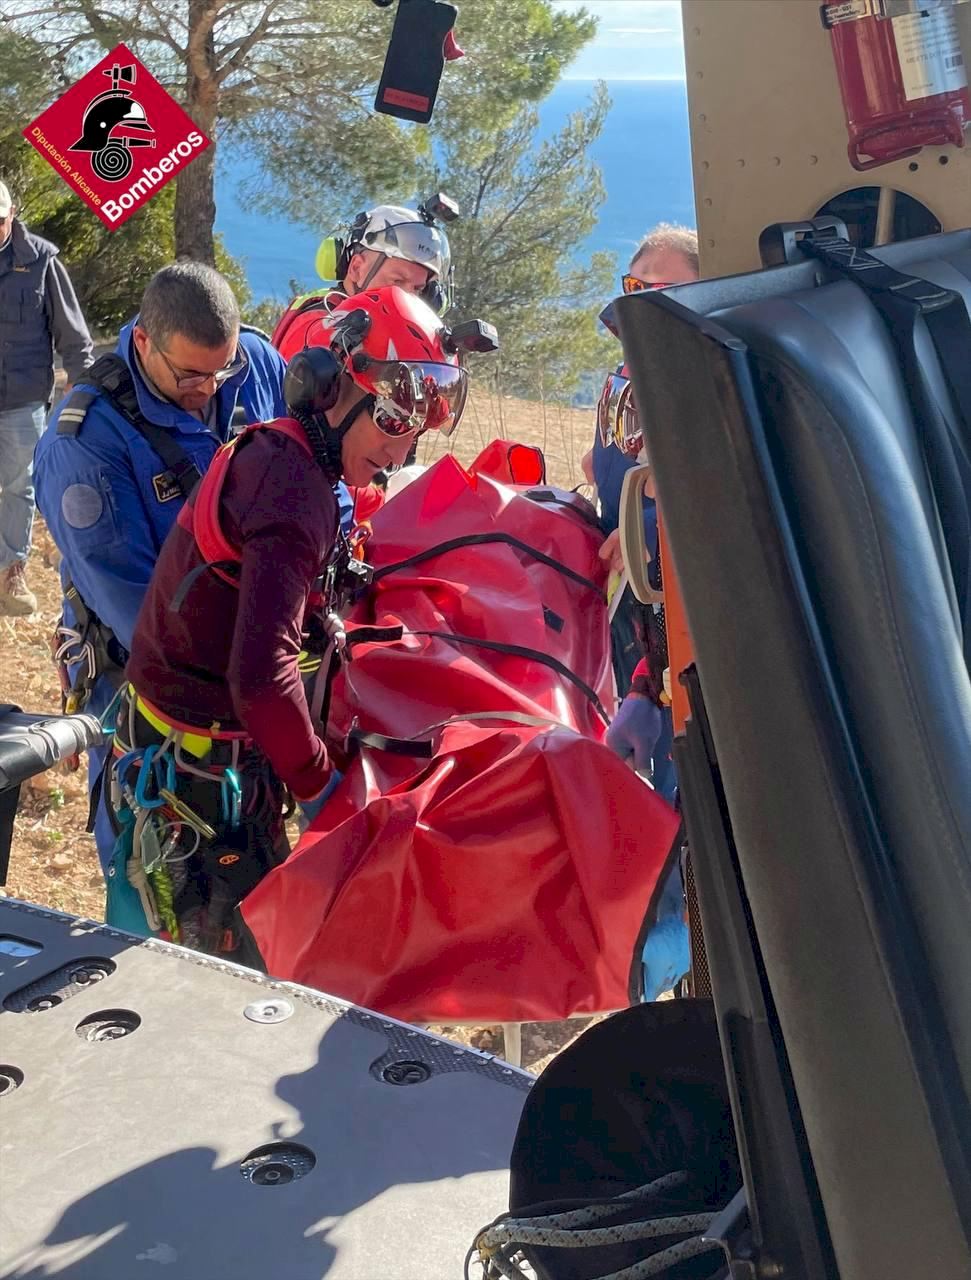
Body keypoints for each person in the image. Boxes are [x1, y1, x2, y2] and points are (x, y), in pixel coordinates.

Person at [107, 285, 490, 958]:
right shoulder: (291, 492)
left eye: (415, 434)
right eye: (394, 424)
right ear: (333, 388)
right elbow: (260, 677)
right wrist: (323, 788)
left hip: (198, 763)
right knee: (230, 993)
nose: (400, 456)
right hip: (197, 790)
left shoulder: (289, 458)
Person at [35, 261, 289, 874]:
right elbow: (142, 615)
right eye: (189, 376)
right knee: (154, 875)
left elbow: (306, 477)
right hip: (150, 689)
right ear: (144, 342)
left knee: (253, 868)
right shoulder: (85, 443)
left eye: (220, 370)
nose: (209, 390)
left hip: (254, 670)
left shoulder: (253, 362)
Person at [0, 180, 93, 615]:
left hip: (22, 399)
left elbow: (75, 338)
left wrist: (81, 389)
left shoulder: (41, 261)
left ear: (12, 214)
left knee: (20, 487)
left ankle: (10, 572)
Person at [270, 203, 453, 360]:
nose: (407, 298)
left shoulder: (381, 327)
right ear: (356, 268)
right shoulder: (318, 324)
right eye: (397, 281)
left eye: (418, 289)